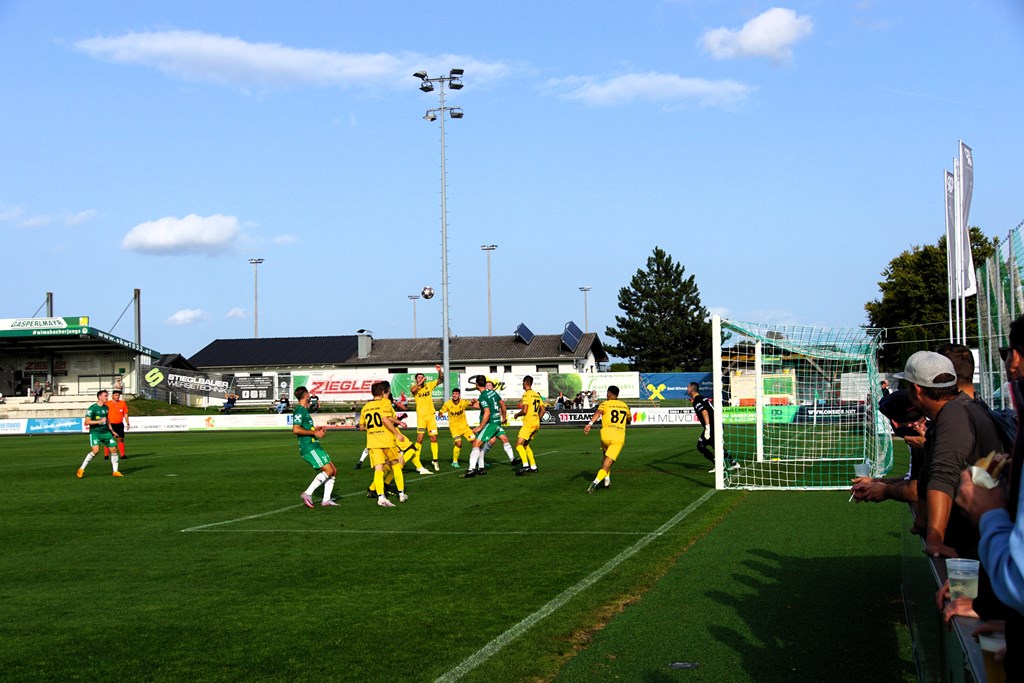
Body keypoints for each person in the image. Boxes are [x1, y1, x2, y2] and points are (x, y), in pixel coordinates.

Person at [360, 381, 409, 507]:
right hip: (387, 439)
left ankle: (381, 497)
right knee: (396, 465)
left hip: (373, 442)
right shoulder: (385, 403)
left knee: (378, 470)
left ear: (372, 393)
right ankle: (401, 494)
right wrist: (397, 433)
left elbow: (361, 427)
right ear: (382, 392)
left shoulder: (365, 407)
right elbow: (385, 419)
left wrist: (373, 429)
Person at [292, 386, 337, 507]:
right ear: (306, 395)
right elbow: (296, 429)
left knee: (333, 470)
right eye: (309, 394)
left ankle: (326, 500)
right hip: (309, 447)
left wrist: (315, 429)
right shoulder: (299, 410)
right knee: (328, 470)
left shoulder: (304, 411)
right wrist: (314, 432)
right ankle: (307, 493)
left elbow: (304, 428)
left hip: (314, 445)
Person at [584, 385, 631, 493]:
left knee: (605, 457)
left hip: (605, 435)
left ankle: (607, 480)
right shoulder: (624, 405)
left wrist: (590, 424)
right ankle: (595, 482)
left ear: (609, 393)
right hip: (618, 437)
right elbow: (629, 420)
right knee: (608, 463)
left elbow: (598, 413)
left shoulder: (605, 404)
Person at [465, 376, 513, 477]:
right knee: (484, 443)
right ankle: (481, 468)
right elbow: (502, 404)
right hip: (496, 422)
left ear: (477, 385)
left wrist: (479, 427)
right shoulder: (493, 393)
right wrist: (503, 417)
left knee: (476, 444)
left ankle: (471, 469)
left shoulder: (483, 396)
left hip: (489, 423)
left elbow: (487, 412)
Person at [687, 382, 739, 473]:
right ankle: (734, 463)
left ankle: (718, 465)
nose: (686, 389)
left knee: (700, 446)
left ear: (691, 389)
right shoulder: (702, 398)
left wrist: (707, 428)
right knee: (716, 446)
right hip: (716, 424)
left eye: (687, 387)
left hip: (712, 426)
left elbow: (705, 413)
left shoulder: (697, 400)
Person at [76, 390, 123, 478]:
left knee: (114, 450)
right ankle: (81, 469)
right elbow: (87, 422)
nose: (107, 397)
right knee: (95, 451)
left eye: (107, 396)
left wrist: (112, 430)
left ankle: (115, 471)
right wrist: (99, 421)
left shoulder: (106, 408)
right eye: (105, 396)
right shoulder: (92, 408)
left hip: (106, 432)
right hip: (95, 433)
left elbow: (107, 420)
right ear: (99, 397)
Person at [411, 364, 444, 471]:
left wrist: (439, 371)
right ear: (416, 380)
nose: (421, 378)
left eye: (422, 377)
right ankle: (417, 461)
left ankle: (435, 461)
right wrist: (420, 382)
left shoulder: (429, 385)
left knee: (433, 438)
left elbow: (441, 380)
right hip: (421, 417)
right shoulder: (414, 387)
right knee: (419, 439)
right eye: (419, 378)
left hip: (430, 416)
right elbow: (413, 391)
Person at [512, 375, 545, 475]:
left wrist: (517, 414)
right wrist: (537, 419)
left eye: (523, 383)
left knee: (518, 445)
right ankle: (533, 466)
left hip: (529, 423)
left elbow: (525, 410)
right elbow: (543, 410)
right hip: (536, 423)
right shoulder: (536, 395)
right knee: (525, 445)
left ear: (525, 383)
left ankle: (525, 465)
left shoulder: (526, 394)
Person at [438, 388, 476, 468]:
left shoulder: (463, 402)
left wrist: (473, 401)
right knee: (459, 443)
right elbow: (441, 411)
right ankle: (454, 462)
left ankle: (479, 460)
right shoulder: (448, 404)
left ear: (459, 395)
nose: (455, 395)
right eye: (454, 394)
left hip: (465, 427)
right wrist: (440, 413)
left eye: (456, 394)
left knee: (476, 443)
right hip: (454, 428)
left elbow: (470, 403)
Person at [105, 389, 130, 461]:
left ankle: (122, 455)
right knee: (108, 439)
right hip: (110, 424)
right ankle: (106, 455)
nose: (117, 396)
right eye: (116, 395)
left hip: (119, 424)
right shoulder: (107, 404)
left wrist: (127, 423)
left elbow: (125, 414)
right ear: (112, 396)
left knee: (121, 439)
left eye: (118, 395)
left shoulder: (123, 403)